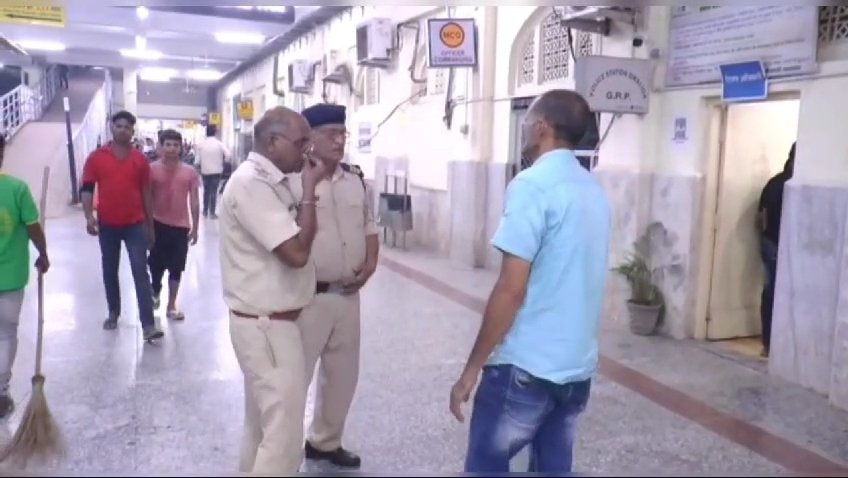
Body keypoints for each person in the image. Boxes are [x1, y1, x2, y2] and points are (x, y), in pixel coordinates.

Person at [449, 89, 612, 473]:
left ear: (542, 127)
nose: (522, 130)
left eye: (525, 123)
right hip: (575, 370)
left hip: (526, 368)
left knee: (485, 469)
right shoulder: (594, 191)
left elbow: (511, 288)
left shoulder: (532, 185)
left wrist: (471, 369)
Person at [219, 106, 325, 474]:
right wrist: (309, 193)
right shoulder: (251, 184)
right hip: (266, 327)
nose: (307, 150)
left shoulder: (276, 179)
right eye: (301, 142)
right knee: (283, 435)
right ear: (272, 142)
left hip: (271, 324)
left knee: (262, 426)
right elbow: (296, 254)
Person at [298, 104, 379, 469]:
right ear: (309, 138)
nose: (338, 140)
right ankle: (283, 448)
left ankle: (325, 441)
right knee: (295, 376)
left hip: (348, 295)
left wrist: (371, 264)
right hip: (307, 297)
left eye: (341, 133)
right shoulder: (295, 182)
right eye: (330, 133)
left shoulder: (354, 180)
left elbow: (369, 225)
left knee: (342, 375)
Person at [80, 110, 164, 342]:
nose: (123, 130)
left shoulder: (140, 160)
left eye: (127, 127)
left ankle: (148, 324)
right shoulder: (96, 158)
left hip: (135, 225)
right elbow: (87, 188)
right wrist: (88, 216)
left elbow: (146, 194)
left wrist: (150, 226)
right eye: (119, 126)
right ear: (112, 128)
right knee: (110, 270)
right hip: (107, 225)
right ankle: (113, 312)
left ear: (132, 131)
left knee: (140, 272)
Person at [0, 134, 49, 417]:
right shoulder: (16, 189)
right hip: (10, 276)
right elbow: (33, 228)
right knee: (5, 333)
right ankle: (1, 391)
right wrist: (43, 253)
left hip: (11, 277)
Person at [147, 129, 200, 320]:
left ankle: (171, 305)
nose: (171, 149)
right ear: (160, 146)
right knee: (156, 265)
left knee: (177, 267)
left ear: (181, 148)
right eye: (167, 144)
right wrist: (146, 225)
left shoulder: (190, 172)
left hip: (180, 226)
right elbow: (146, 198)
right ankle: (155, 290)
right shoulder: (151, 169)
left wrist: (195, 227)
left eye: (175, 145)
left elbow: (194, 201)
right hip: (157, 223)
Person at [756, 142, 795, 358]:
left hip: (769, 242)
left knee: (770, 292)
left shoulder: (773, 182)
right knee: (782, 295)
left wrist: (766, 235)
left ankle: (767, 344)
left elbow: (760, 217)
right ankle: (779, 347)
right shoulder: (792, 185)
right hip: (782, 244)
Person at [196, 124, 231, 219]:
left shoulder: (201, 144)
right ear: (215, 132)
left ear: (206, 132)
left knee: (206, 191)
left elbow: (197, 160)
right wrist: (224, 162)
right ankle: (212, 213)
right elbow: (228, 155)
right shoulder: (219, 144)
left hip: (205, 171)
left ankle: (205, 211)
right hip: (217, 171)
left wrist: (198, 167)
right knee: (214, 192)